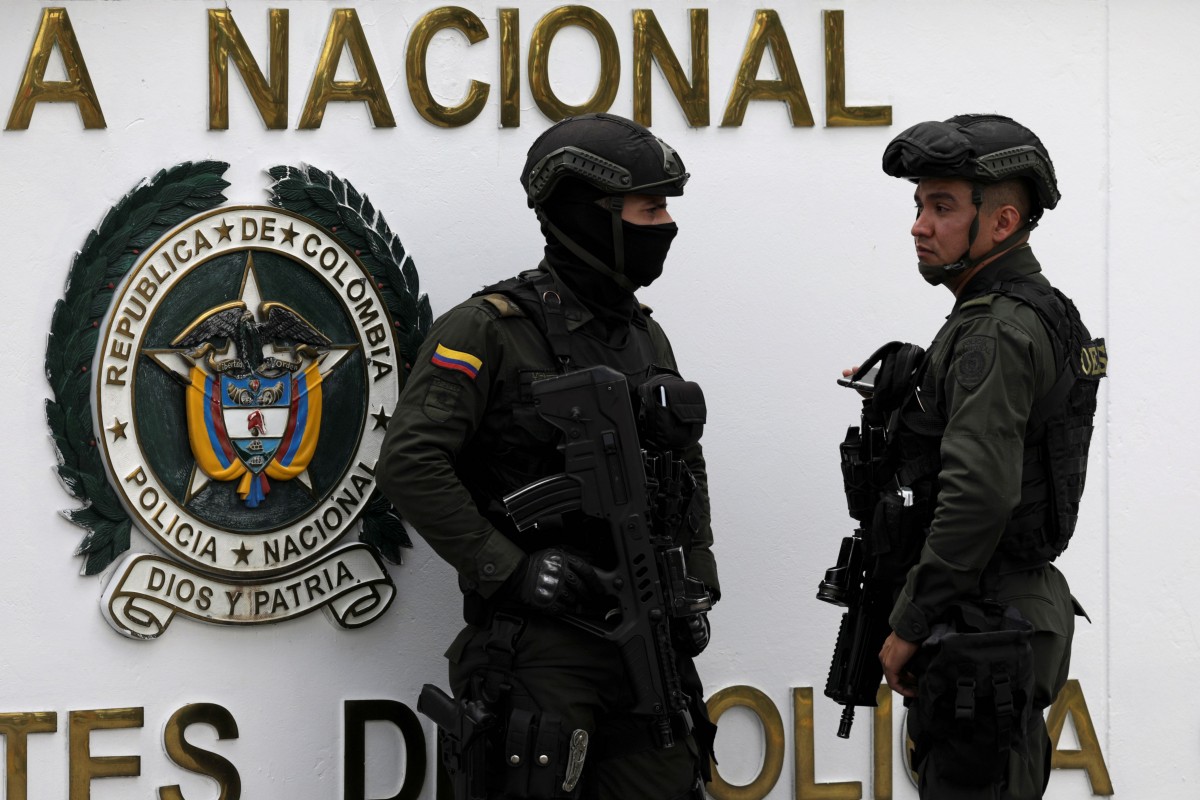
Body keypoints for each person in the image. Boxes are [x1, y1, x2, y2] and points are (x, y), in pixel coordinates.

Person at [377, 112, 719, 800]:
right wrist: (509, 569)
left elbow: (684, 470)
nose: (664, 226)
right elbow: (410, 463)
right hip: (542, 652)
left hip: (646, 647)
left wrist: (694, 581)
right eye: (649, 208)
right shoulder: (490, 329)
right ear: (588, 214)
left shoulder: (645, 339)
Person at [855, 114, 1105, 798]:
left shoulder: (992, 331)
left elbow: (979, 497)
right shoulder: (1036, 311)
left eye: (942, 207)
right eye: (918, 205)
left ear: (1000, 224)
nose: (919, 225)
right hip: (999, 615)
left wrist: (909, 621)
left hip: (979, 622)